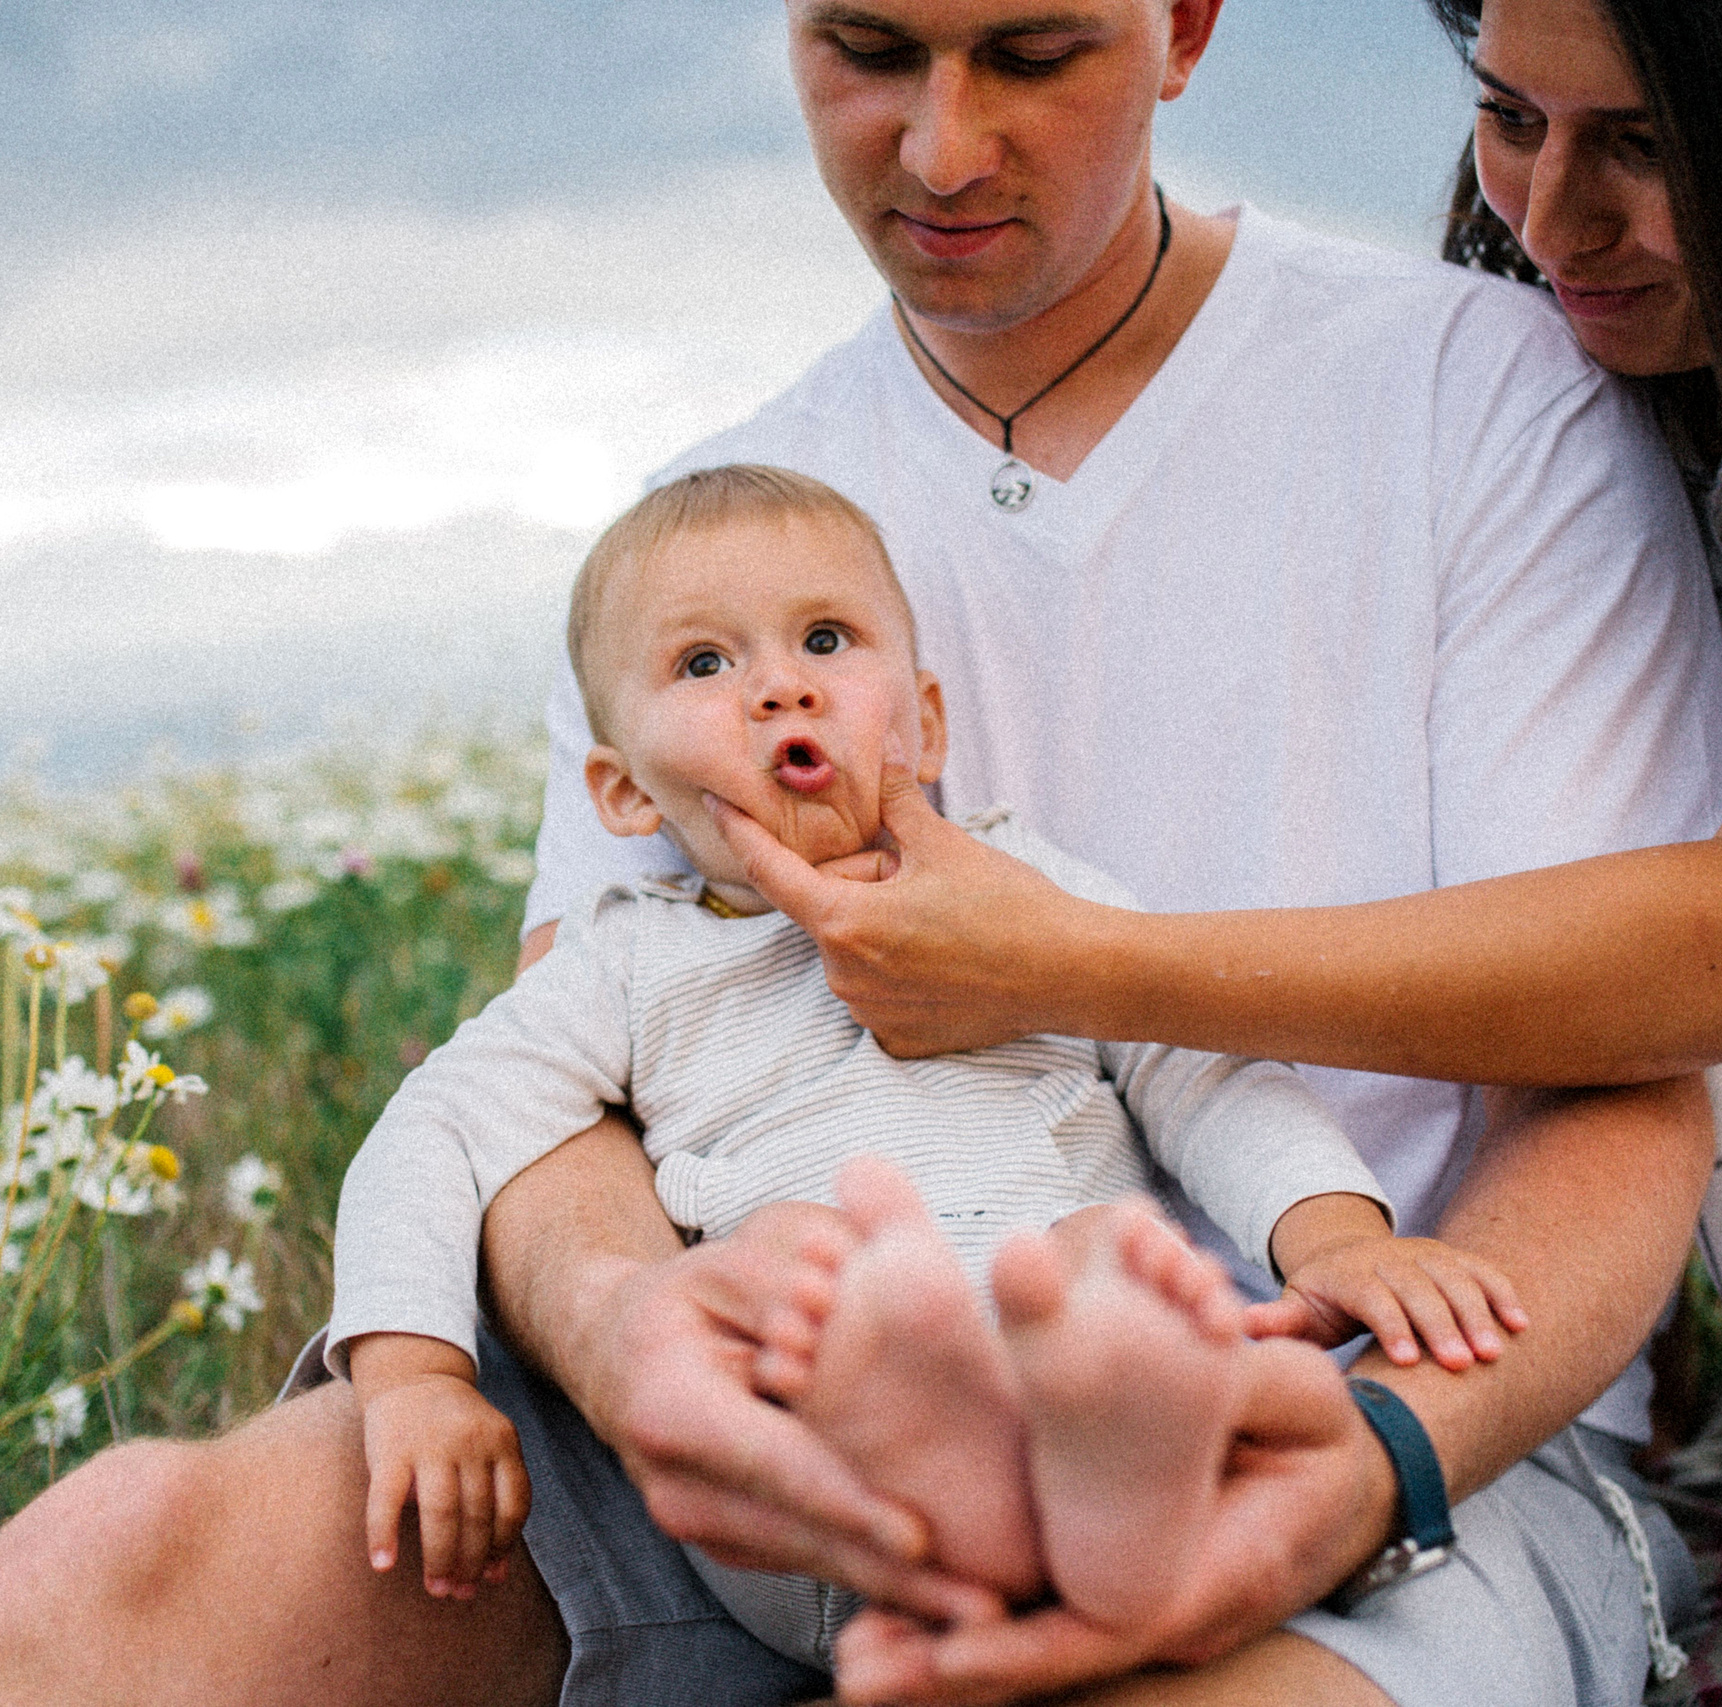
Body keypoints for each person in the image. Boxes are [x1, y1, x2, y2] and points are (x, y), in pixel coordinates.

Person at [0, 3, 1722, 1703]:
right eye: (860, 50)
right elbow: (555, 1092)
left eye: (1030, 52)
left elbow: (1629, 1069)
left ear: (1184, 24)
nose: (938, 143)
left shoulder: (1489, 403)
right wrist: (633, 1343)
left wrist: (1377, 1425)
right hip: (760, 1435)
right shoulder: (696, 560)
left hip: (1402, 1423)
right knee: (113, 1575)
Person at [710, 0, 1722, 1696]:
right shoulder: (1682, 409)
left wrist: (1061, 958)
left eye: (1647, 146)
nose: (1551, 218)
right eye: (1510, 118)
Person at [327, 462, 1523, 1667]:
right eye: (704, 664)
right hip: (815, 1502)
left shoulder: (1030, 898)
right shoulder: (628, 964)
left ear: (922, 723)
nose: (778, 685)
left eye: (825, 639)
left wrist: (1334, 1241)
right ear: (624, 792)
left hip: (1066, 1398)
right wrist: (414, 1372)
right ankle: (968, 1442)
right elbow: (438, 1129)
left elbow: (1196, 1070)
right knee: (803, 1264)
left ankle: (1105, 1499)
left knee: (1103, 1270)